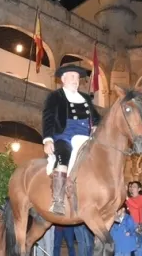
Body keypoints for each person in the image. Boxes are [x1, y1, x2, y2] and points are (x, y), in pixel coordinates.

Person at [42, 64, 101, 215]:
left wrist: (96, 125)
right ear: (63, 79)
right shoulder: (55, 96)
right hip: (65, 136)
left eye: (78, 77)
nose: (76, 80)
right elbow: (49, 118)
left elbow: (96, 117)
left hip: (86, 137)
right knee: (64, 156)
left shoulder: (85, 98)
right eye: (73, 76)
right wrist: (48, 139)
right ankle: (58, 201)